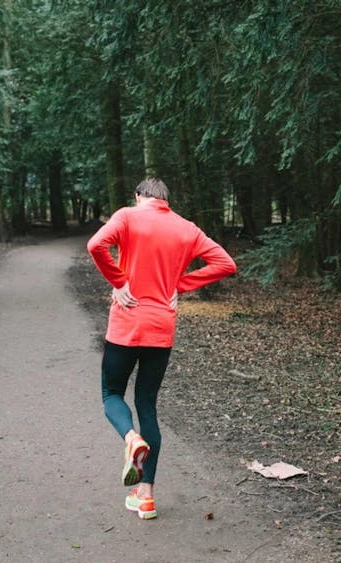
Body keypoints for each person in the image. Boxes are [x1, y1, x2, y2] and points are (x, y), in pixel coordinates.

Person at [86, 177, 237, 520]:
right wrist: (179, 285)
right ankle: (146, 497)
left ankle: (130, 439)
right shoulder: (187, 228)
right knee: (147, 405)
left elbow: (96, 245)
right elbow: (226, 264)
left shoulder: (127, 216)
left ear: (138, 196)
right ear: (166, 200)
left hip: (126, 323)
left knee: (112, 393)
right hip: (160, 328)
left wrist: (119, 281)